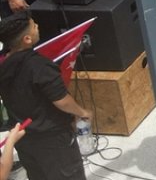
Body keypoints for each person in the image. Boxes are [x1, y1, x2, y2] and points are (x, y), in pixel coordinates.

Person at [0, 11, 91, 180]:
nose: (37, 27)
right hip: (53, 140)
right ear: (26, 39)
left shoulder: (3, 63)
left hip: (24, 139)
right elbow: (61, 100)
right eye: (34, 26)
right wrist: (82, 112)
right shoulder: (39, 66)